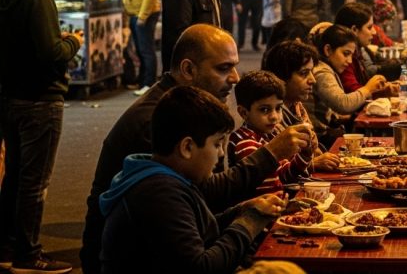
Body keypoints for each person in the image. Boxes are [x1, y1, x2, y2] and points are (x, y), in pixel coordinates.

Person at [81, 24, 310, 274]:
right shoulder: (160, 120)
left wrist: (244, 211)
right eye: (223, 68)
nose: (235, 78)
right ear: (188, 69)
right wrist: (270, 155)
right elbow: (203, 198)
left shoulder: (184, 111)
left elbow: (197, 208)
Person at [99, 86, 285, 274]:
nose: (221, 154)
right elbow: (201, 267)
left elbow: (200, 232)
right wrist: (248, 222)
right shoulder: (158, 193)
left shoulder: (168, 178)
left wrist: (242, 211)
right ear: (187, 147)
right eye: (217, 144)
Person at [0, 0, 83, 274]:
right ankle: (29, 255)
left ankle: (6, 247)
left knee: (15, 177)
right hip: (40, 102)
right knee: (35, 182)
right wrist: (73, 41)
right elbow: (51, 53)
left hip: (11, 98)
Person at [263, 41, 342, 171]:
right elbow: (272, 169)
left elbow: (313, 150)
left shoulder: (296, 106)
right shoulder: (269, 115)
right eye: (304, 73)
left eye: (311, 72)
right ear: (281, 77)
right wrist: (313, 164)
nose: (313, 80)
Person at [309, 26, 390, 146]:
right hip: (319, 139)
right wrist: (368, 88)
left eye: (351, 55)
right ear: (328, 50)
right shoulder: (322, 72)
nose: (350, 61)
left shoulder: (327, 67)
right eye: (346, 54)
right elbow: (343, 104)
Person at [230, 71, 313, 189]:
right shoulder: (246, 143)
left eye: (278, 108)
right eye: (264, 109)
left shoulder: (269, 134)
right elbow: (270, 190)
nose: (274, 116)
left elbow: (285, 175)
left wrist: (305, 153)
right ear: (244, 112)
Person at [123, 0, 161, 89]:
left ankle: (148, 83)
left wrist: (143, 16)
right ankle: (141, 81)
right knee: (140, 49)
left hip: (144, 15)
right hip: (135, 14)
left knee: (146, 50)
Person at [334, 3, 392, 94]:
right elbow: (353, 91)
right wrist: (383, 90)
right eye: (369, 27)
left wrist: (387, 87)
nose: (374, 32)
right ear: (354, 30)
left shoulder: (358, 50)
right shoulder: (344, 55)